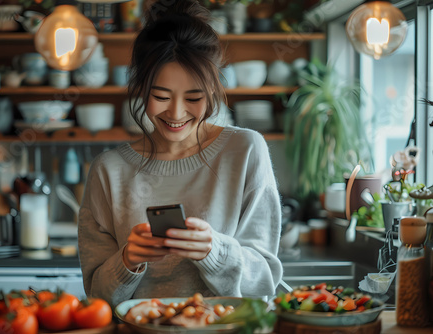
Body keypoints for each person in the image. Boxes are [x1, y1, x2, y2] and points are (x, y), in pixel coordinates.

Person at [78, 0, 282, 308]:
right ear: (141, 88)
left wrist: (214, 251)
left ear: (213, 89)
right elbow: (97, 296)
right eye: (160, 96)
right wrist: (127, 261)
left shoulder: (244, 151)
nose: (176, 113)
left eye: (193, 97)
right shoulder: (109, 171)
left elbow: (265, 280)